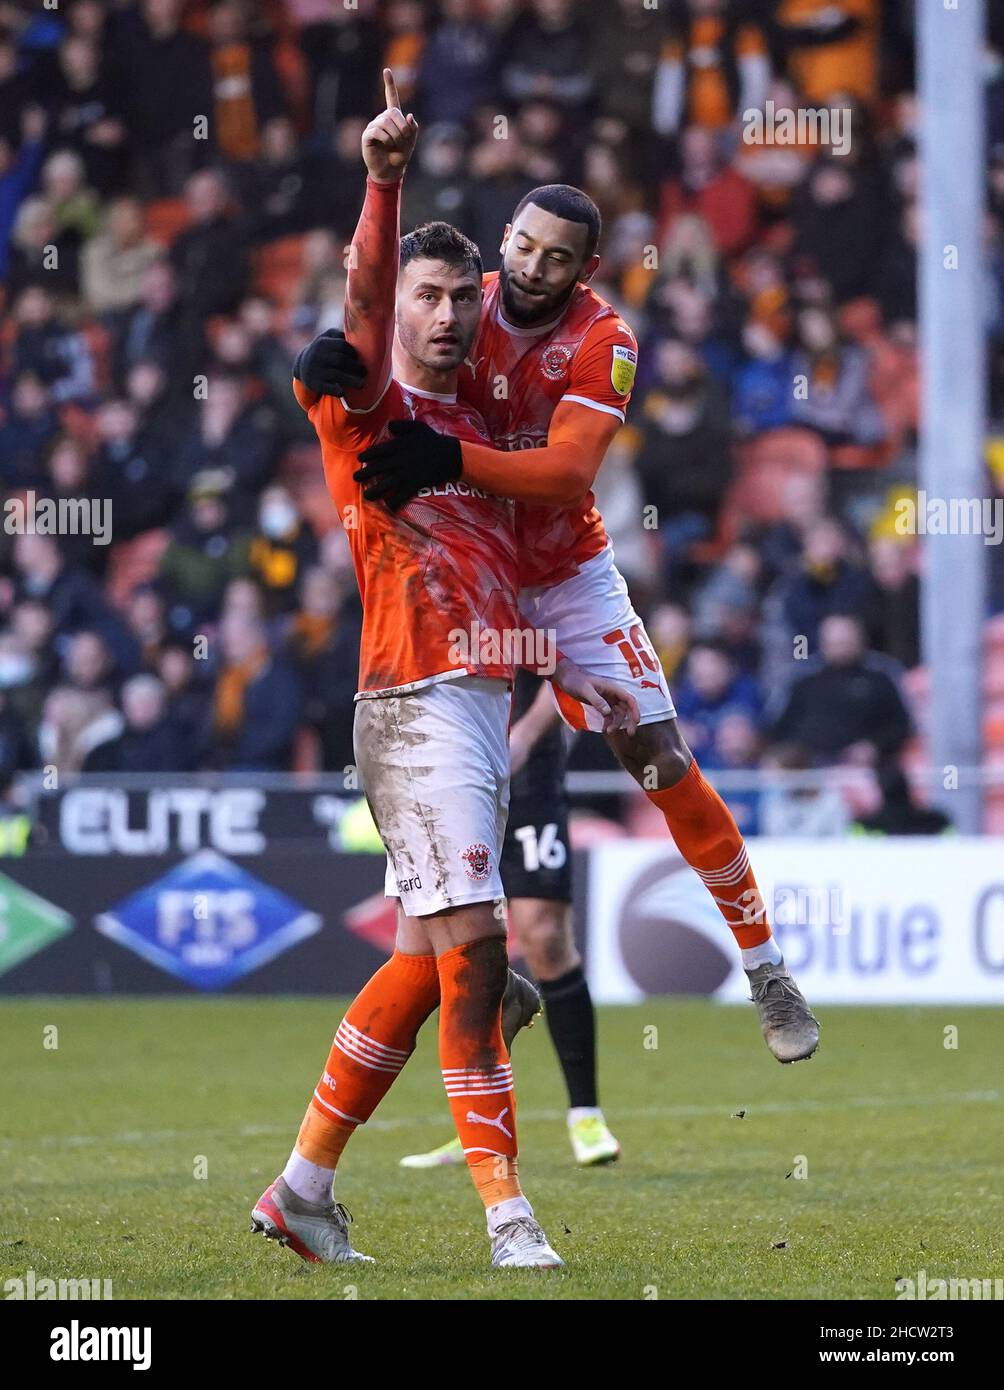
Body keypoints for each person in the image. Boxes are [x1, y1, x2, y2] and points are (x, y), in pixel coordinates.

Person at [298, 176, 820, 1066]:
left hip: (566, 577)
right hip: (467, 571)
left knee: (657, 756)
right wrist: (319, 364)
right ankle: (491, 975)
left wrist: (449, 456)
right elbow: (381, 331)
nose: (533, 267)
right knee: (432, 768)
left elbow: (572, 471)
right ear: (506, 236)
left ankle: (764, 964)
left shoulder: (603, 339)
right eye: (525, 246)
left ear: (588, 270)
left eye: (558, 258)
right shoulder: (466, 300)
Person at [253, 72, 638, 1272]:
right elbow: (364, 293)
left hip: (475, 696)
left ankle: (300, 1189)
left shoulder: (469, 400)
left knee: (428, 962)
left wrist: (568, 675)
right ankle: (506, 1211)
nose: (440, 316)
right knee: (473, 946)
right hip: (407, 703)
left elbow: (522, 534)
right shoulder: (370, 391)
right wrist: (381, 177)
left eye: (452, 300)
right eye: (422, 297)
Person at [400, 670, 621, 1172]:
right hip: (456, 765)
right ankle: (478, 1124)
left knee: (544, 936)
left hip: (528, 770)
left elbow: (564, 660)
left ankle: (586, 1115)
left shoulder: (528, 596)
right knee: (467, 946)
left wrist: (522, 736)